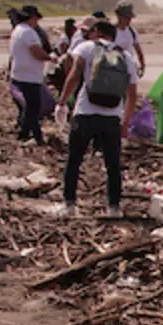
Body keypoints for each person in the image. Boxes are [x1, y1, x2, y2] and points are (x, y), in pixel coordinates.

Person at [56, 20, 139, 217]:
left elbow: (74, 75)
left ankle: (69, 205)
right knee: (112, 165)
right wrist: (125, 121)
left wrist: (61, 103)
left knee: (74, 160)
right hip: (112, 117)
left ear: (97, 33)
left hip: (85, 112)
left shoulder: (86, 48)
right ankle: (114, 208)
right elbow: (132, 94)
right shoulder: (125, 56)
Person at [9, 5, 53, 146]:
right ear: (32, 18)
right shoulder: (29, 32)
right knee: (34, 108)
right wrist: (50, 58)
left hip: (20, 73)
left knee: (28, 107)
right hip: (29, 76)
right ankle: (36, 136)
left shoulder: (18, 30)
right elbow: (36, 52)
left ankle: (24, 133)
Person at [113, 1, 144, 76]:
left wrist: (142, 66)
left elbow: (138, 50)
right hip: (115, 70)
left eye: (130, 17)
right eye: (126, 17)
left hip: (130, 69)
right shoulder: (111, 31)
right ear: (118, 15)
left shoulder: (132, 31)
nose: (129, 20)